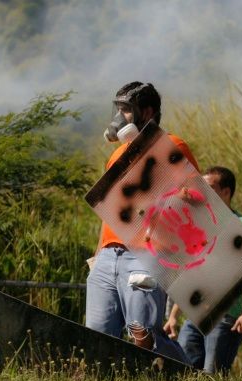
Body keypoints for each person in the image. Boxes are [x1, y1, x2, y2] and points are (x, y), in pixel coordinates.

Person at [85, 81, 199, 362]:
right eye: (119, 108)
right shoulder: (116, 154)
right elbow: (108, 209)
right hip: (110, 253)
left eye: (126, 109)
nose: (119, 116)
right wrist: (99, 254)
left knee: (145, 337)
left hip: (147, 252)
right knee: (96, 335)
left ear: (147, 112)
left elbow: (197, 197)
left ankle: (188, 376)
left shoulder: (172, 145)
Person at [163, 166, 242, 374]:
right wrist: (174, 315)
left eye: (209, 188)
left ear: (226, 192)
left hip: (226, 317)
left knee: (213, 377)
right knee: (183, 374)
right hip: (196, 315)